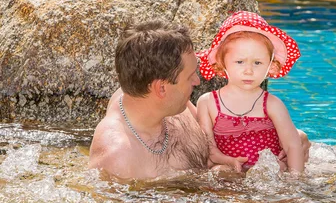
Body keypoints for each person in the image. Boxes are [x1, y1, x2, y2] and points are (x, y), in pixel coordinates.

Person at [89, 19, 309, 180]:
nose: (197, 81)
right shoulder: (119, 158)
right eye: (190, 75)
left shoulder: (168, 103)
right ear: (161, 88)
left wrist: (293, 141)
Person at [195, 11, 305, 173]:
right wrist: (230, 162)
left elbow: (292, 145)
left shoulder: (272, 104)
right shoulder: (207, 102)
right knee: (218, 171)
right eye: (240, 62)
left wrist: (296, 183)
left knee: (276, 168)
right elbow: (210, 150)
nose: (249, 71)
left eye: (258, 63)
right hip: (229, 168)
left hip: (266, 172)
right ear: (221, 61)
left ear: (271, 65)